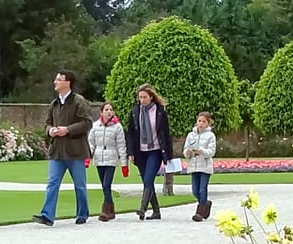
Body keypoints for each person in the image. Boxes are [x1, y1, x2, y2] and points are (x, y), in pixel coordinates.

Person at [32, 70, 94, 226]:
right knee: (52, 183)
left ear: (68, 83)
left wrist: (67, 129)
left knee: (79, 185)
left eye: (59, 79)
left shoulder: (79, 101)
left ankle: (82, 214)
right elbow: (47, 123)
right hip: (57, 151)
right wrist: (50, 130)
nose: (55, 81)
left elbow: (87, 122)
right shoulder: (54, 104)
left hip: (76, 150)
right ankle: (47, 216)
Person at [126, 84, 173, 221]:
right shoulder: (135, 111)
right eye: (140, 97)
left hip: (155, 150)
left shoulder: (160, 111)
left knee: (148, 179)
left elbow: (166, 133)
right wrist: (130, 152)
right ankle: (156, 211)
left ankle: (142, 208)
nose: (142, 100)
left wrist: (168, 155)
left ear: (151, 97)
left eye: (145, 97)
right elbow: (130, 133)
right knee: (147, 182)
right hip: (140, 151)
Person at [87, 102, 128, 222]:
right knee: (104, 185)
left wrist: (124, 165)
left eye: (111, 109)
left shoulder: (117, 127)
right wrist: (88, 158)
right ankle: (111, 209)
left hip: (111, 157)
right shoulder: (95, 126)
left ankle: (105, 210)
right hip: (99, 158)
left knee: (106, 184)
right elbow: (91, 143)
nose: (109, 112)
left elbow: (121, 146)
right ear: (101, 112)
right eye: (106, 109)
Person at [183, 112, 217, 222]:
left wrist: (201, 151)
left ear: (208, 123)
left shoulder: (210, 136)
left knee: (203, 189)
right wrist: (188, 153)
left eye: (204, 121)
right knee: (195, 190)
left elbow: (211, 151)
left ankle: (199, 213)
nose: (201, 123)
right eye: (199, 121)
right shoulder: (191, 135)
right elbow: (186, 149)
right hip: (194, 165)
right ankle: (205, 203)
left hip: (205, 166)